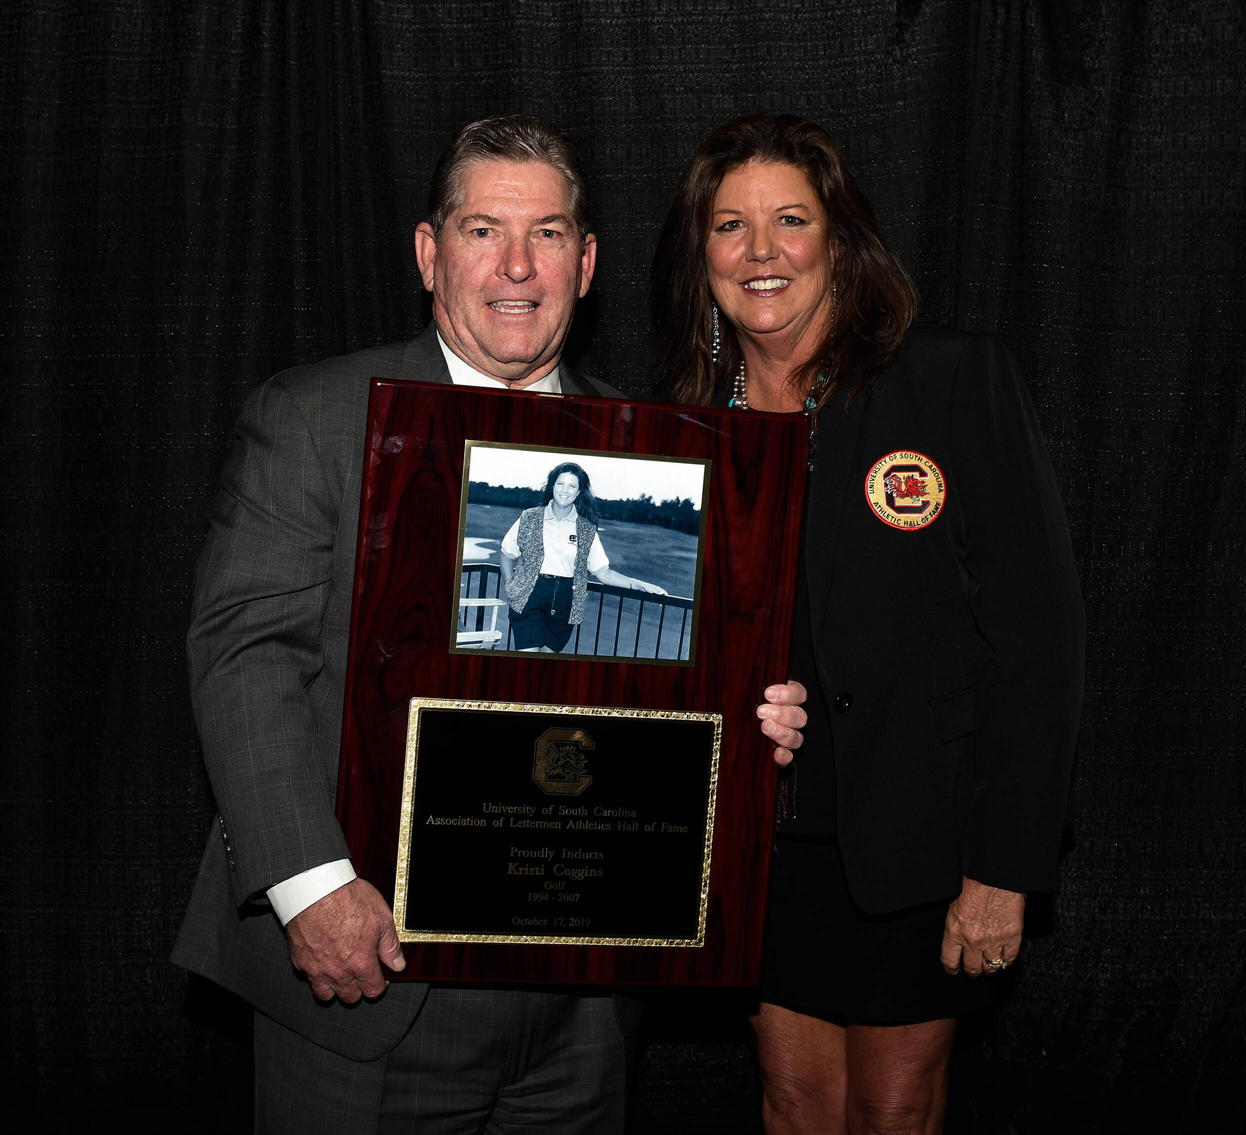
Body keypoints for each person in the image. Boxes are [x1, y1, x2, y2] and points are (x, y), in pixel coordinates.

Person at [175, 114, 641, 1134]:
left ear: (588, 260)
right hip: (364, 979)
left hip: (580, 1004)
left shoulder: (646, 445)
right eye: (482, 230)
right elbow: (243, 655)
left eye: (549, 233)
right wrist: (310, 889)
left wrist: (748, 715)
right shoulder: (313, 416)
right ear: (430, 253)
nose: (516, 266)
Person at [652, 115, 1086, 1135]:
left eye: (788, 220)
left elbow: (1039, 644)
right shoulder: (677, 430)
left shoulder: (945, 383)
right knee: (795, 1102)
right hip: (762, 846)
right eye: (729, 226)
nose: (760, 250)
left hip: (919, 844)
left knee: (894, 1109)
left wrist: (1004, 867)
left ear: (837, 240)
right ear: (699, 256)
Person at [499, 461, 667, 652]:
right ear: (552, 486)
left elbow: (602, 572)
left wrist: (637, 584)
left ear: (578, 492)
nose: (565, 490)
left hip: (564, 603)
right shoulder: (529, 517)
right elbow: (506, 554)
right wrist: (511, 588)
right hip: (528, 597)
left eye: (572, 486)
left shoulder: (586, 529)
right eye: (560, 484)